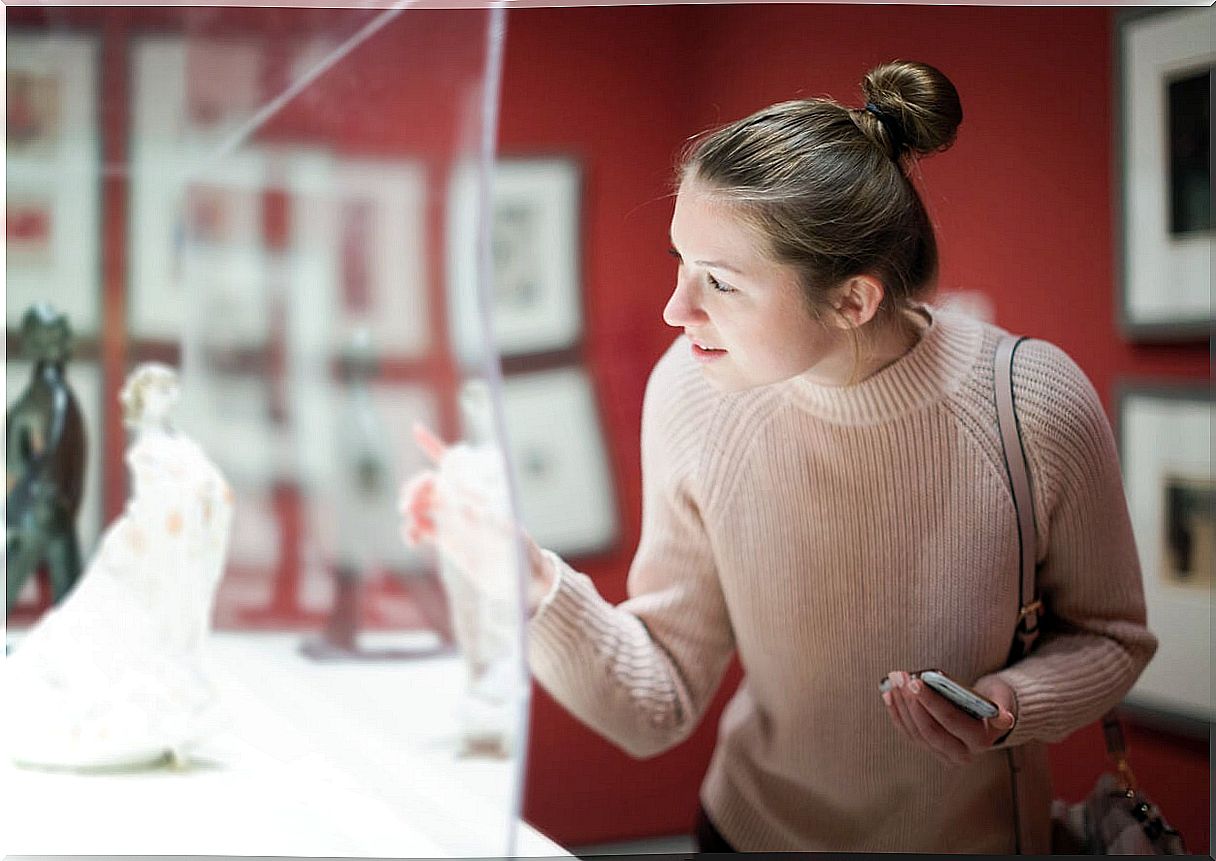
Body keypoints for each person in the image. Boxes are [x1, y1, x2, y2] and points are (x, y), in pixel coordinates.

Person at [399, 61, 1157, 853]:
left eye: (720, 283)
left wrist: (1008, 705)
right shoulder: (690, 391)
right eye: (679, 263)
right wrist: (528, 583)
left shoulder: (1032, 401)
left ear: (852, 300)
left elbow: (1113, 636)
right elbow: (656, 700)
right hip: (747, 834)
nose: (674, 309)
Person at [4, 363, 233, 770]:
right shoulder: (147, 447)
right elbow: (163, 499)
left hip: (174, 550)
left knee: (165, 625)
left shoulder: (179, 442)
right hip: (154, 545)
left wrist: (209, 499)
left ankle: (172, 714)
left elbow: (204, 486)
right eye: (157, 389)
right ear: (142, 397)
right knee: (120, 619)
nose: (165, 396)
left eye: (169, 388)